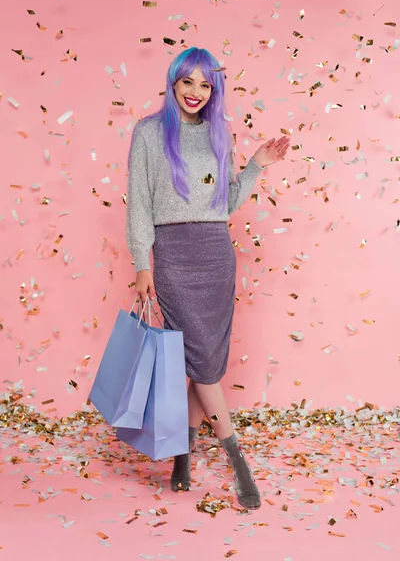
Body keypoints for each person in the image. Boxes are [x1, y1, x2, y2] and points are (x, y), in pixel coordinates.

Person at [126, 47, 289, 510]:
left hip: (217, 255)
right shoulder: (149, 133)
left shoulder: (219, 136)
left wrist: (256, 165)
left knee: (203, 366)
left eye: (205, 84)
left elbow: (225, 204)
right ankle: (237, 460)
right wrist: (143, 264)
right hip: (174, 258)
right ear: (173, 83)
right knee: (200, 357)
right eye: (187, 82)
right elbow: (139, 203)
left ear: (213, 89)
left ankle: (183, 454)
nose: (196, 92)